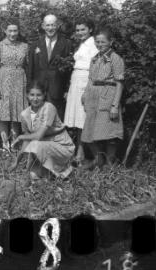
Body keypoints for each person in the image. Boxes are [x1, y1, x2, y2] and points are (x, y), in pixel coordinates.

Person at [10, 81, 75, 180]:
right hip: (42, 148)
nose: (35, 99)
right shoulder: (24, 114)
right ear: (27, 95)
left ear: (44, 95)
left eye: (38, 95)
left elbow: (38, 136)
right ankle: (50, 174)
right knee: (33, 176)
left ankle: (64, 170)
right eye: (32, 95)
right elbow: (27, 140)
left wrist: (20, 137)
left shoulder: (49, 108)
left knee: (35, 144)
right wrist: (16, 162)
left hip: (61, 147)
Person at [81, 27, 125, 168]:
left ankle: (110, 162)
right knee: (89, 131)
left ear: (111, 42)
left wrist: (115, 105)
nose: (99, 45)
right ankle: (98, 159)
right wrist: (85, 93)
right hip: (93, 97)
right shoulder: (95, 58)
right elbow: (90, 79)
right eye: (97, 42)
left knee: (110, 133)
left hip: (108, 95)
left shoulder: (116, 59)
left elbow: (119, 83)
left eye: (103, 42)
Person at [64, 18, 99, 165]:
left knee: (84, 120)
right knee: (78, 121)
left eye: (83, 29)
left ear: (90, 29)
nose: (79, 32)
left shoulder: (94, 44)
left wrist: (88, 88)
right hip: (76, 80)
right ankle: (80, 152)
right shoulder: (82, 44)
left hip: (85, 81)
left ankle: (88, 155)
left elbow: (95, 68)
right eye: (77, 30)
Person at [0, 22, 29, 151]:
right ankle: (5, 144)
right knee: (3, 112)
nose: (12, 34)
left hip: (20, 80)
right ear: (5, 31)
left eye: (15, 31)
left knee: (16, 112)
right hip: (4, 78)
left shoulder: (24, 46)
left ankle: (14, 144)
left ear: (18, 31)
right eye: (10, 31)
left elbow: (28, 65)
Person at [27, 14, 72, 119]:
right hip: (38, 89)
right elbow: (31, 69)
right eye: (47, 25)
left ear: (58, 26)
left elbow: (69, 70)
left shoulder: (66, 44)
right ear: (43, 26)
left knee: (55, 118)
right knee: (38, 118)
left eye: (53, 25)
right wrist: (29, 89)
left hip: (57, 88)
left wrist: (67, 89)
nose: (50, 28)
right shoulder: (35, 44)